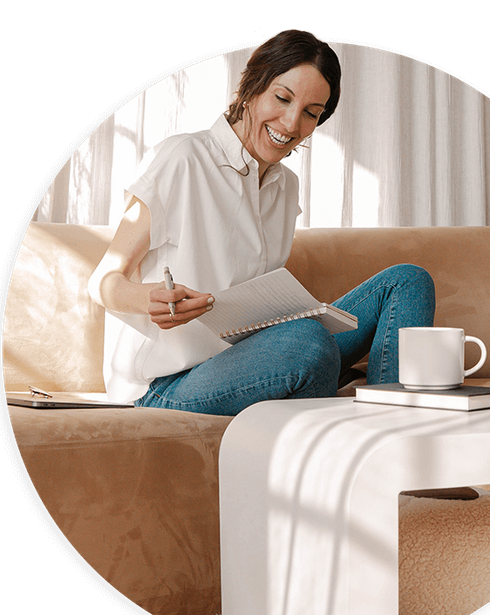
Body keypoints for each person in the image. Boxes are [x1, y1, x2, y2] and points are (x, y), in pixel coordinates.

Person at [88, 28, 435, 416]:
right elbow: (104, 280)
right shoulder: (183, 159)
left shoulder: (285, 186)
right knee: (308, 342)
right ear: (253, 87)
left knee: (407, 282)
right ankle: (337, 416)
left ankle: (394, 428)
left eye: (311, 113)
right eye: (282, 98)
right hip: (165, 384)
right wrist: (148, 299)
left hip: (251, 357)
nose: (290, 123)